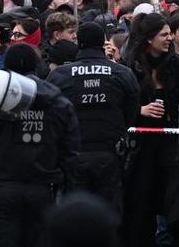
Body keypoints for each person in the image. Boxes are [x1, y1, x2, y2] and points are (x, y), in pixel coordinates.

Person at [0, 66, 80, 247]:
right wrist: (69, 192)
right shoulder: (59, 104)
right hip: (44, 189)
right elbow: (70, 154)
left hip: (0, 191)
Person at [47, 22, 140, 210]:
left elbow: (51, 115)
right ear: (102, 43)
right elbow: (131, 113)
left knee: (74, 215)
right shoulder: (122, 73)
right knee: (109, 215)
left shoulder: (60, 75)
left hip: (73, 157)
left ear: (78, 42)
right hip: (110, 155)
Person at [121, 13, 179, 247]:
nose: (170, 38)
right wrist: (140, 111)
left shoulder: (175, 65)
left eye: (170, 33)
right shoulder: (130, 67)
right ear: (149, 39)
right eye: (164, 34)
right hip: (141, 146)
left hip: (171, 144)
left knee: (173, 204)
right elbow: (118, 106)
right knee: (141, 203)